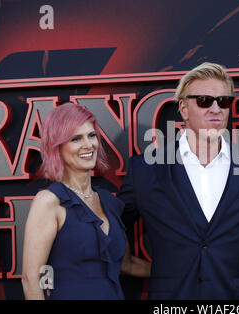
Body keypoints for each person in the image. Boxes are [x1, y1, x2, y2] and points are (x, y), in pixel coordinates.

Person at [118, 62, 239, 299]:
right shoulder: (145, 170)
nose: (216, 109)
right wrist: (127, 264)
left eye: (223, 101)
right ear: (183, 108)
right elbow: (112, 224)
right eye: (204, 100)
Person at [21, 103, 150, 300]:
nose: (88, 145)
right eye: (75, 139)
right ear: (57, 147)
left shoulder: (109, 202)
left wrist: (183, 271)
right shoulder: (49, 201)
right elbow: (31, 280)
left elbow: (127, 265)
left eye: (91, 136)